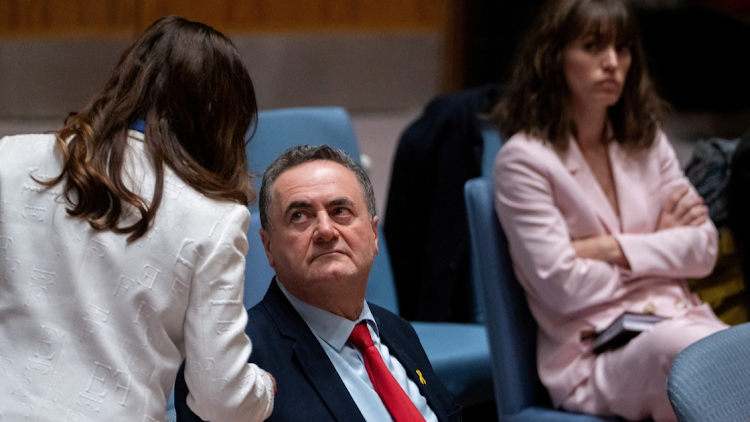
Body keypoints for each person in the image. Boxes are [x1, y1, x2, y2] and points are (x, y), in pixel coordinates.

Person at [0, 16, 274, 422]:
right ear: (223, 123)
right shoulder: (214, 220)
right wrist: (265, 388)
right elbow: (222, 400)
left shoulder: (10, 158)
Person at [489, 0, 728, 421]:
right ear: (554, 57)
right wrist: (660, 244)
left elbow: (704, 249)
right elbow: (563, 288)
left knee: (725, 357)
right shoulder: (524, 160)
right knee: (692, 357)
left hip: (678, 320)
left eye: (623, 49)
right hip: (594, 353)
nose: (613, 63)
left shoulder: (644, 139)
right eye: (593, 47)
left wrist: (605, 248)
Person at [174, 145, 462, 422]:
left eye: (340, 211)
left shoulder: (397, 331)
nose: (325, 230)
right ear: (268, 247)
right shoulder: (228, 369)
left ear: (374, 235)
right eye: (299, 216)